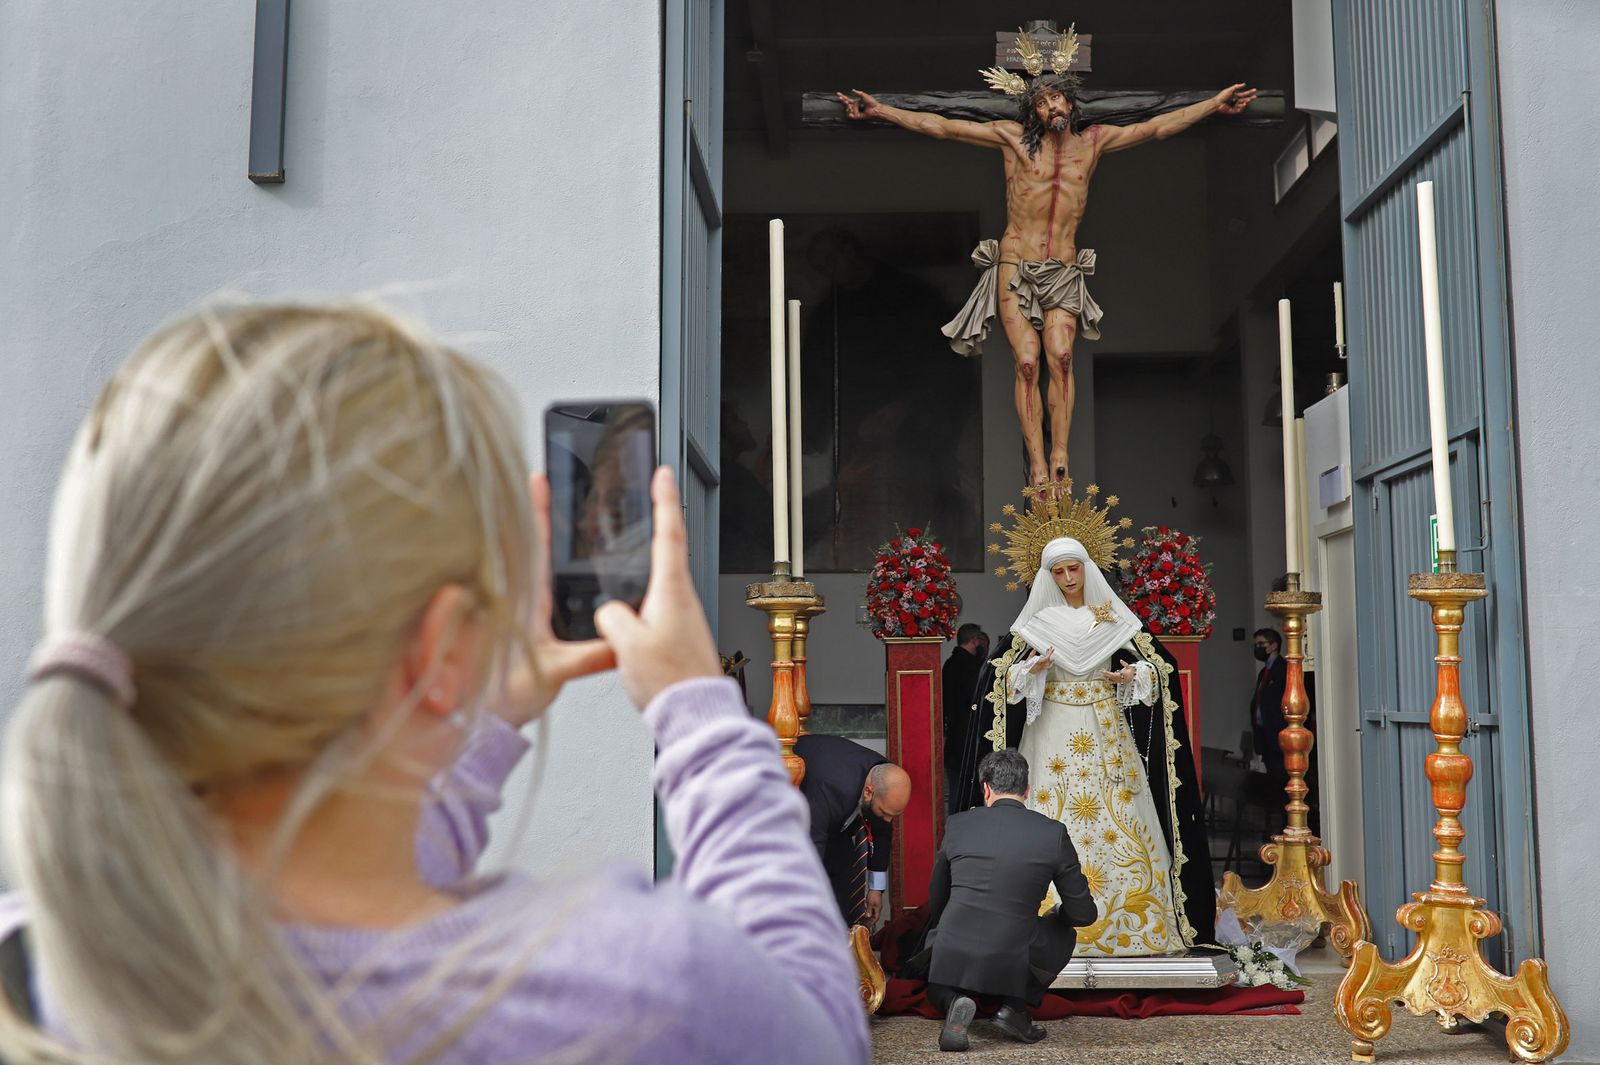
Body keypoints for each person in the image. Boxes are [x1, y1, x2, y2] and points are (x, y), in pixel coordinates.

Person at [0, 303, 870, 1065]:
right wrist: (698, 713)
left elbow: (344, 884)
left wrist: (476, 704)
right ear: (441, 649)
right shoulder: (636, 998)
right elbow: (822, 1031)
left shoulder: (39, 967)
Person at [838, 33, 1256, 488]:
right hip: (1016, 265)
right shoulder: (1013, 141)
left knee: (1060, 356)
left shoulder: (1095, 143)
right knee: (1027, 363)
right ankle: (1037, 463)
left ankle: (1060, 453)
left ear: (1071, 104)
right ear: (1032, 111)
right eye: (1041, 103)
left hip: (1063, 269)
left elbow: (1155, 127)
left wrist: (1213, 105)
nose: (1051, 107)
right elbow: (943, 126)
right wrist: (882, 110)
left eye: (1057, 98)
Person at [998, 536, 1213, 956]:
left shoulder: (1112, 616)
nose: (1067, 578)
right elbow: (1003, 682)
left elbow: (1159, 668)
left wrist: (1133, 676)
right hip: (1051, 733)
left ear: (1086, 567)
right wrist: (1034, 670)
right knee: (1049, 809)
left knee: (1120, 812)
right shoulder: (1037, 621)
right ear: (1047, 577)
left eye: (1073, 569)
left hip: (1105, 730)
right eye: (1058, 572)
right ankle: (1044, 924)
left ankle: (1131, 926)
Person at [915, 749, 1096, 1052]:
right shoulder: (1053, 833)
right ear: (1026, 790)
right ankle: (1014, 1006)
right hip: (1015, 947)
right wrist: (1057, 915)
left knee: (939, 983)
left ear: (985, 788)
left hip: (954, 943)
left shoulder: (958, 824)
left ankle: (955, 1001)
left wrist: (948, 926)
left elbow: (938, 896)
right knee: (1062, 931)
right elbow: (1083, 914)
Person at [794, 733, 911, 929]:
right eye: (885, 813)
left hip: (836, 825)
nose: (888, 820)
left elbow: (882, 831)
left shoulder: (883, 779)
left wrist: (875, 889)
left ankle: (841, 933)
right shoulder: (833, 789)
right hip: (799, 820)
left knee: (844, 880)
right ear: (868, 792)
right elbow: (813, 846)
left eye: (894, 815)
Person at [942, 624, 989, 814]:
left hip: (954, 736)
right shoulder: (971, 667)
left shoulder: (950, 663)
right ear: (974, 641)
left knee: (955, 788)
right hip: (968, 738)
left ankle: (955, 826)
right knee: (970, 789)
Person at [1250, 626, 1288, 791]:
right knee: (1272, 779)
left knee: (1281, 779)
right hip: (1265, 736)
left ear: (1273, 645)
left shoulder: (1283, 669)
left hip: (1278, 736)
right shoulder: (1264, 671)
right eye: (1256, 645)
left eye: (1261, 644)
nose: (1258, 648)